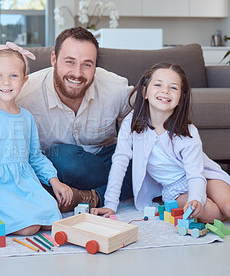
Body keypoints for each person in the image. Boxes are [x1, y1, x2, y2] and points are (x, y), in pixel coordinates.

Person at [91, 62, 230, 223]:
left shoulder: (187, 131)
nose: (165, 91)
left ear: (180, 99)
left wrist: (197, 197)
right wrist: (110, 204)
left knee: (226, 206)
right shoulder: (132, 123)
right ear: (145, 92)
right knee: (207, 212)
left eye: (173, 88)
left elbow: (196, 174)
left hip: (205, 175)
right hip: (175, 189)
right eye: (158, 84)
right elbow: (120, 162)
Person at [0, 42, 73, 236]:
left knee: (52, 218)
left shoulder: (27, 117)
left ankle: (23, 211)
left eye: (13, 76)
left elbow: (35, 156)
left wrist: (55, 181)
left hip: (24, 183)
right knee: (30, 228)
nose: (6, 83)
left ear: (24, 80)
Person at [16, 27, 133, 212]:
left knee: (144, 158)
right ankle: (114, 189)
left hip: (103, 161)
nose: (77, 73)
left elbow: (143, 121)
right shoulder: (24, 95)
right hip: (58, 167)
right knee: (65, 158)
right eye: (70, 62)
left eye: (87, 64)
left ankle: (92, 197)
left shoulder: (115, 87)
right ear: (54, 59)